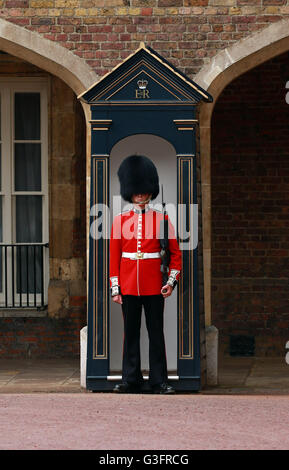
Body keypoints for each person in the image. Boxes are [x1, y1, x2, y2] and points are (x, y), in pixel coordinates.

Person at [109, 155, 182, 394]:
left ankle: (159, 380)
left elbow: (175, 254)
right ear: (130, 192)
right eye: (136, 191)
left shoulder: (162, 219)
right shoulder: (120, 221)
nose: (140, 195)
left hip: (153, 284)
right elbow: (114, 257)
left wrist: (170, 282)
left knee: (155, 333)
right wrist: (115, 287)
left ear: (150, 191)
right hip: (129, 284)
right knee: (130, 334)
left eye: (143, 190)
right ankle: (131, 378)